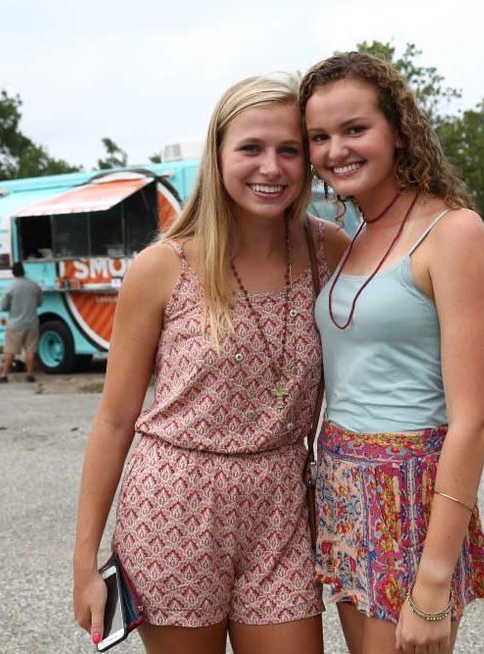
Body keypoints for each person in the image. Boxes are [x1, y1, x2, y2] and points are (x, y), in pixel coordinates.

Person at [72, 74, 348, 654]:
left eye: (289, 150)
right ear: (217, 153)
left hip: (282, 503)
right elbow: (116, 418)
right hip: (175, 502)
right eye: (251, 148)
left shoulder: (331, 251)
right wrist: (83, 562)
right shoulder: (162, 266)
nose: (270, 167)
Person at [301, 51, 484, 654]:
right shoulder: (353, 235)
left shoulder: (453, 231)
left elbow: (473, 419)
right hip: (340, 480)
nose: (337, 149)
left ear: (398, 129)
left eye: (355, 129)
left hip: (409, 492)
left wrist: (433, 580)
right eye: (319, 137)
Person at [0, 261, 42, 383]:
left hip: (15, 324)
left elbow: (3, 306)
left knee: (10, 351)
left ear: (13, 273)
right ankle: (30, 375)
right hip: (32, 323)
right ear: (24, 271)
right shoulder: (34, 286)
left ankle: (4, 375)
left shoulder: (9, 287)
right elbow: (40, 303)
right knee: (30, 350)